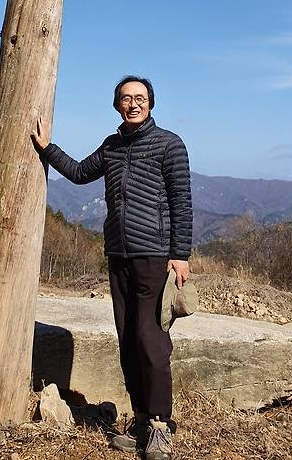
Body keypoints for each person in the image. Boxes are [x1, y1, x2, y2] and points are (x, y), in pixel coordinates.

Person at [32, 75, 193, 460]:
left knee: (151, 341)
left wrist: (180, 253)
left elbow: (182, 201)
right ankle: (140, 421)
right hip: (118, 257)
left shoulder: (170, 145)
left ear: (151, 103)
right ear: (117, 105)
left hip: (154, 257)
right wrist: (46, 148)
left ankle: (159, 427)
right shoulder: (112, 146)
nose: (133, 104)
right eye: (126, 98)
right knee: (128, 342)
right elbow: (79, 173)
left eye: (140, 98)